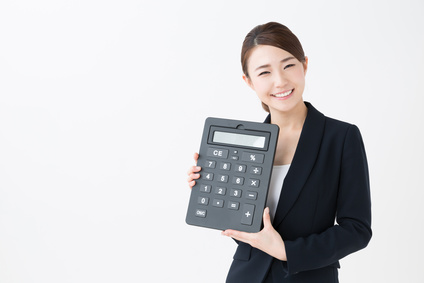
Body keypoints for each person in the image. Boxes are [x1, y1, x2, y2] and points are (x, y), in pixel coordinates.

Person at [187, 22, 372, 283]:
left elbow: (357, 230)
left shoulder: (340, 138)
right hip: (246, 276)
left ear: (304, 65)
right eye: (264, 73)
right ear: (249, 82)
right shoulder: (240, 145)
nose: (280, 81)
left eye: (288, 65)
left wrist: (286, 251)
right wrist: (212, 187)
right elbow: (242, 224)